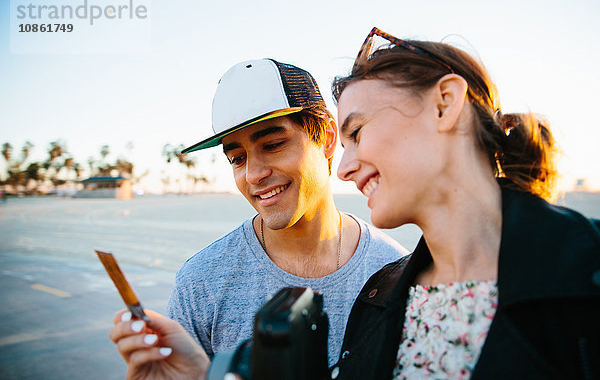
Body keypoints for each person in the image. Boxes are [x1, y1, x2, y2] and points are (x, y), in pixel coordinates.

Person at [328, 27, 600, 379]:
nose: (343, 170)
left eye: (358, 133)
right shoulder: (377, 297)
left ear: (444, 104)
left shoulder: (587, 269)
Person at [110, 57, 405, 376]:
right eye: (237, 158)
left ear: (328, 138)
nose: (253, 174)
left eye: (274, 144)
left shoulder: (394, 273)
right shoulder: (202, 282)